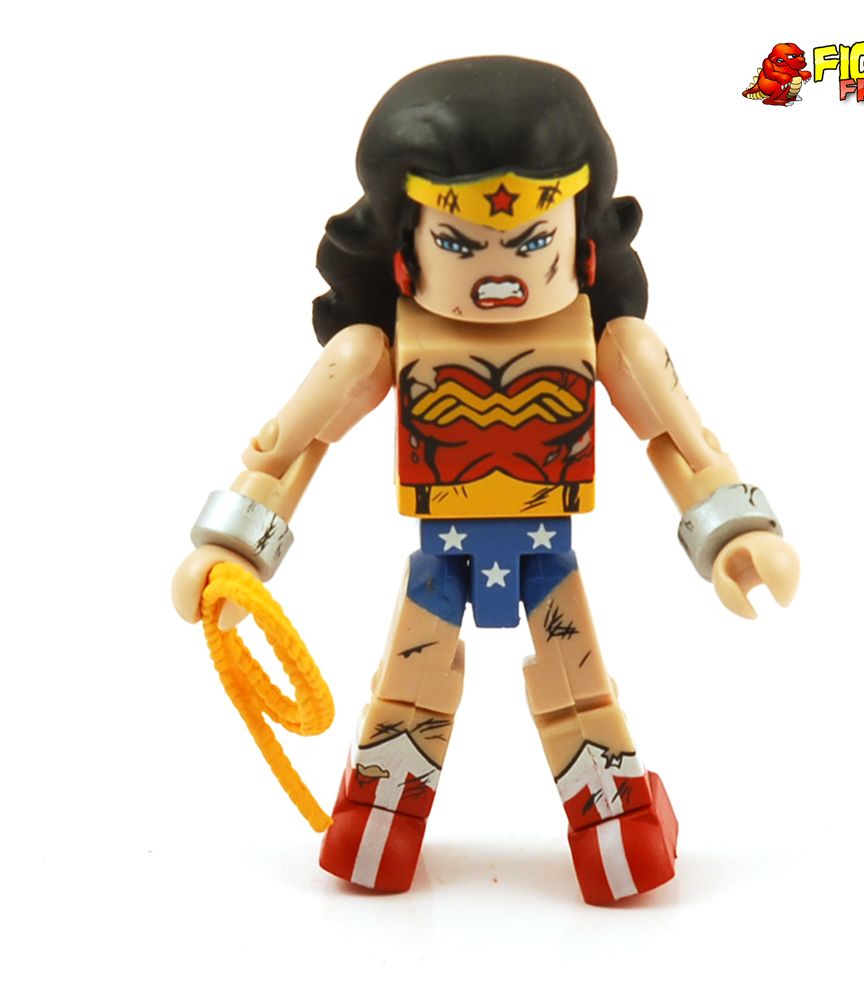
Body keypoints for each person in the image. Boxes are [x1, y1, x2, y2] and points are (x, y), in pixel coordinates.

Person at [172, 56, 799, 905]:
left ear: (579, 241)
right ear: (405, 250)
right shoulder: (372, 351)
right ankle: (378, 823)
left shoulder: (613, 345)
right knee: (409, 690)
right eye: (459, 243)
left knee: (579, 688)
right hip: (445, 554)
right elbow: (293, 448)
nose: (499, 272)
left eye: (532, 240)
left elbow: (677, 442)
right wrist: (233, 550)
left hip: (547, 558)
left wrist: (736, 531)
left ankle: (614, 823)